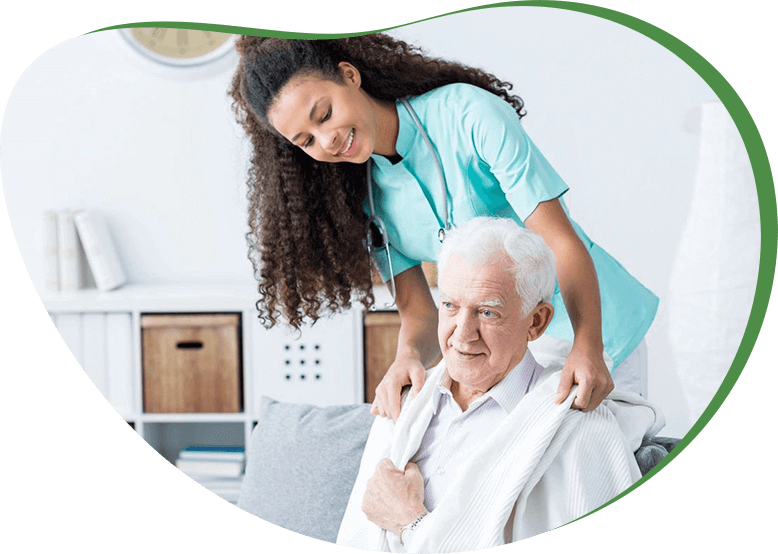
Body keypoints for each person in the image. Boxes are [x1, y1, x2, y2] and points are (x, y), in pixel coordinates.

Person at [228, 34, 659, 417]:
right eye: (306, 141)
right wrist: (407, 357)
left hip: (595, 328)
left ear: (349, 76)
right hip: (509, 356)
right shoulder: (363, 199)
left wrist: (588, 344)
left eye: (324, 114)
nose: (327, 141)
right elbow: (419, 313)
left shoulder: (468, 114)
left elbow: (560, 243)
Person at [335, 217, 664, 549]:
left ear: (536, 322)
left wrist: (411, 524)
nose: (463, 334)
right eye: (450, 306)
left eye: (487, 312)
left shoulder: (581, 428)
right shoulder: (404, 404)